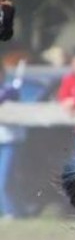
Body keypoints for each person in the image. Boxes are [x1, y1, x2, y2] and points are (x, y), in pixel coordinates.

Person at [0, 64, 25, 218]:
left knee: (4, 178)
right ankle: (19, 210)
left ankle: (11, 211)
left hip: (10, 141)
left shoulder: (10, 90)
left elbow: (8, 95)